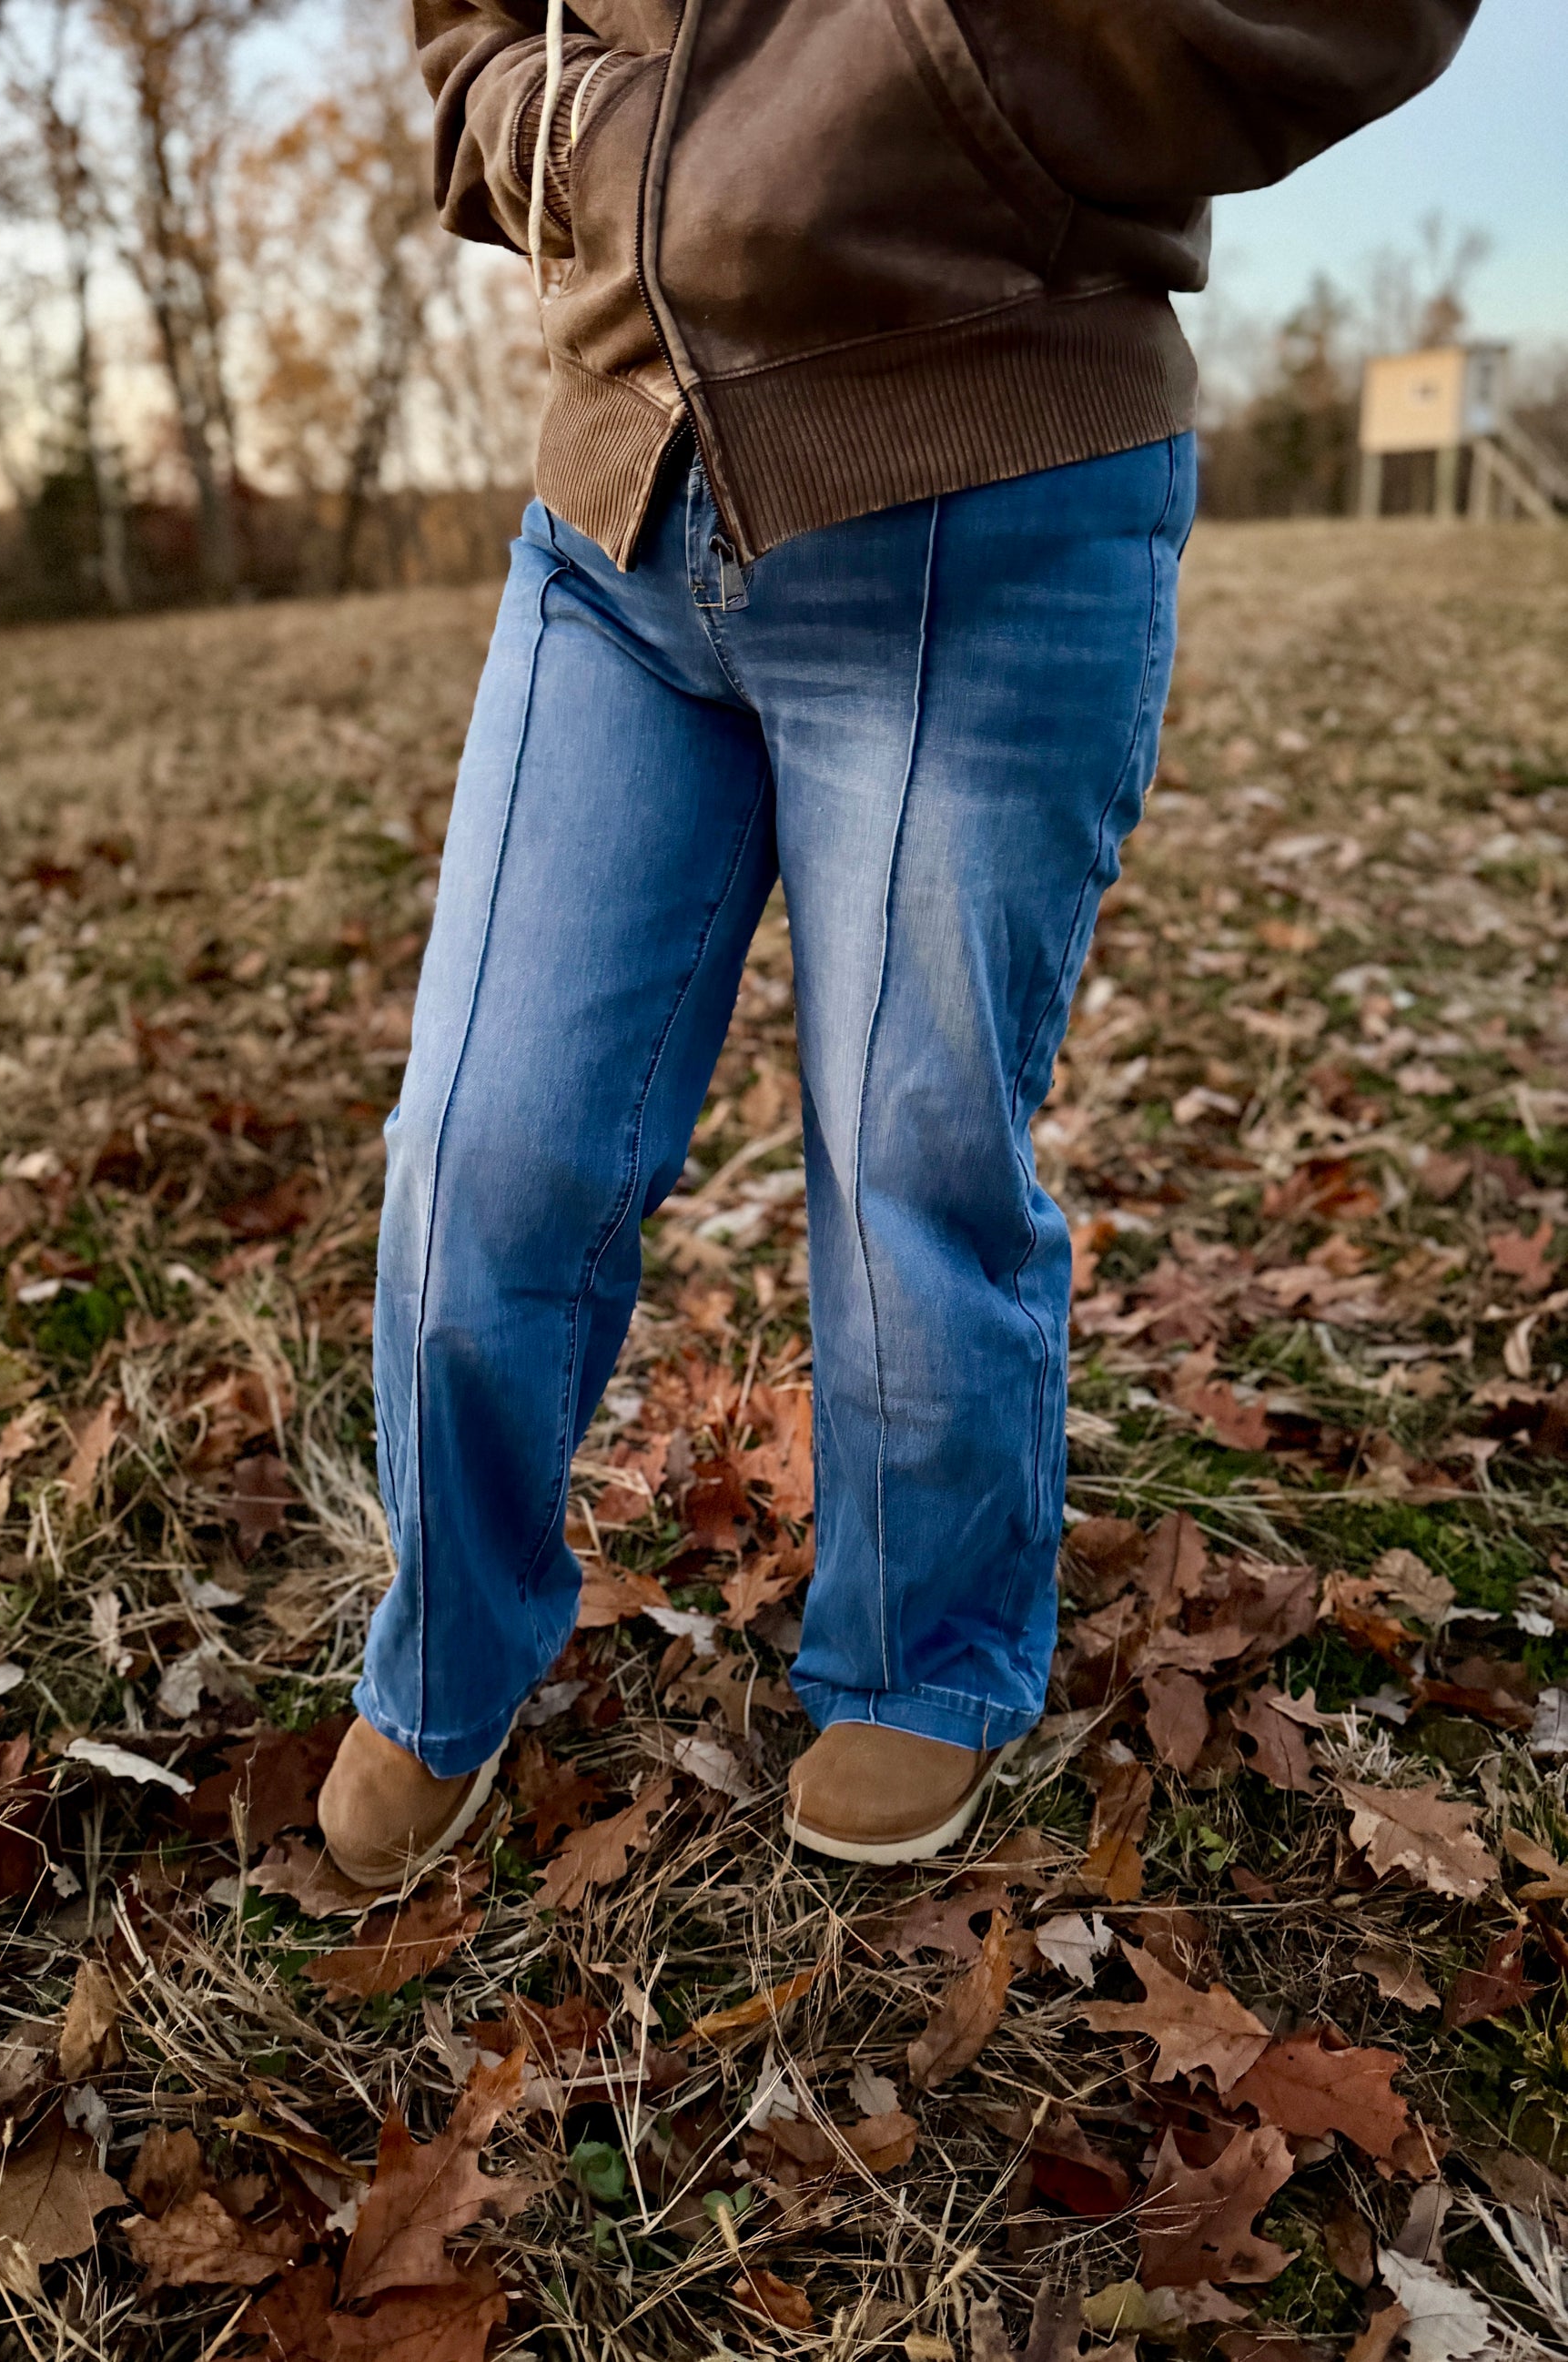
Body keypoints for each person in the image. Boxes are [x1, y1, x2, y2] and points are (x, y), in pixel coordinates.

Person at [319, 0, 1478, 1881]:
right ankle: (446, 1643)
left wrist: (936, 75)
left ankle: (923, 1650)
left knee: (911, 1156)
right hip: (614, 517)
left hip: (982, 500)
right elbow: (469, 37)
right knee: (481, 1148)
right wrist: (581, 139)